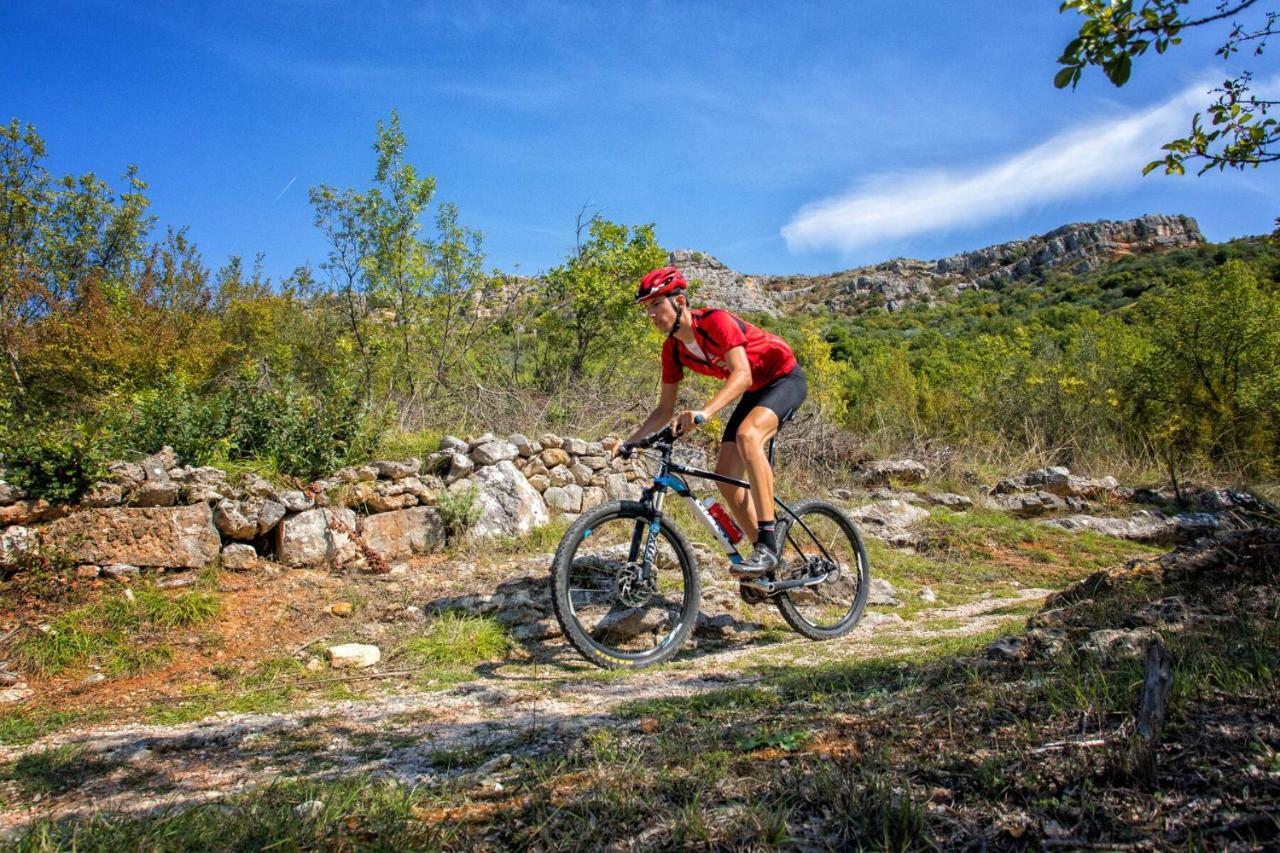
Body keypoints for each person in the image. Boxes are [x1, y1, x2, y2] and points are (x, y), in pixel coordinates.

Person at [616, 266, 807, 576]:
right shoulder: (673, 350)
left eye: (656, 304)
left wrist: (703, 413)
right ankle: (766, 564)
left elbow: (742, 374)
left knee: (748, 436)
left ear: (679, 302)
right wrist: (630, 442)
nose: (650, 314)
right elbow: (664, 410)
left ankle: (768, 544)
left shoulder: (716, 322)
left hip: (783, 379)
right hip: (754, 391)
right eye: (646, 308)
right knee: (724, 476)